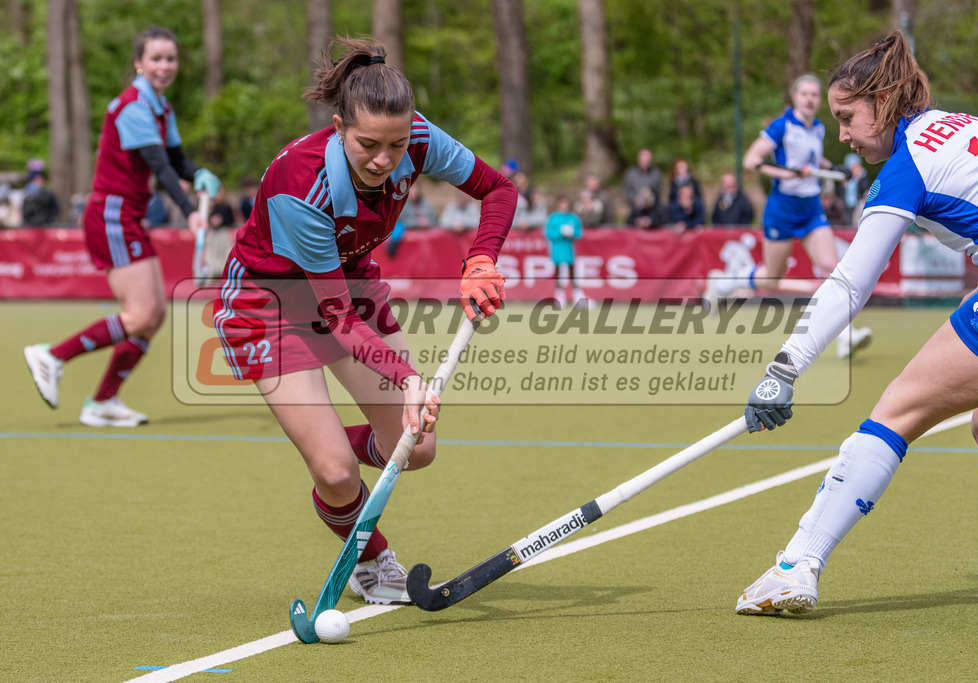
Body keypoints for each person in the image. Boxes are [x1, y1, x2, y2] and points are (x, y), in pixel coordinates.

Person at [212, 37, 515, 605]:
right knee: (334, 473)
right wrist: (407, 378)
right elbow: (338, 320)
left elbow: (498, 190)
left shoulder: (416, 140)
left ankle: (329, 440)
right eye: (368, 145)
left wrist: (482, 257)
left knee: (415, 446)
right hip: (270, 305)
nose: (385, 160)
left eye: (397, 145)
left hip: (348, 283)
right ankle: (371, 561)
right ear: (338, 126)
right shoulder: (301, 185)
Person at [736, 30, 978, 616]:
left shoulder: (908, 162)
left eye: (847, 116)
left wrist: (784, 368)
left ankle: (795, 566)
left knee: (897, 411)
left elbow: (850, 283)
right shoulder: (967, 126)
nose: (841, 133)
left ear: (884, 98)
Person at [24, 25, 219, 427]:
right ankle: (52, 356)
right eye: (156, 59)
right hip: (112, 215)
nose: (164, 66)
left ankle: (102, 403)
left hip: (130, 216)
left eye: (170, 58)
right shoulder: (132, 106)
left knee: (153, 315)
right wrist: (188, 207)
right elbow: (158, 165)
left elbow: (177, 160)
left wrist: (199, 174)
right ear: (139, 63)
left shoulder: (161, 107)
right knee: (142, 312)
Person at [709, 73, 872, 359]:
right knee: (772, 277)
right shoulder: (781, 126)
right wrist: (788, 172)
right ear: (795, 98)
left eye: (813, 95)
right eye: (804, 94)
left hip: (810, 209)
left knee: (832, 268)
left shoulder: (819, 129)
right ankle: (724, 283)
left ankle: (846, 336)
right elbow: (751, 161)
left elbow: (813, 159)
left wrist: (834, 167)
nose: (809, 99)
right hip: (782, 210)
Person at [544, 195, 584, 307]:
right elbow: (548, 234)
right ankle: (559, 295)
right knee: (558, 272)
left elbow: (579, 233)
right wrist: (560, 233)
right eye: (562, 203)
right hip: (557, 249)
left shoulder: (573, 218)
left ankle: (576, 294)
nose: (564, 206)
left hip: (569, 249)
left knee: (572, 271)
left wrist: (572, 233)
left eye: (565, 203)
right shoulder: (553, 218)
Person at [666, 158, 704, 222]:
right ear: (676, 169)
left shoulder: (693, 180)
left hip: (692, 210)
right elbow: (671, 199)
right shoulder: (673, 182)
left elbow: (699, 196)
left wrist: (691, 202)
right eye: (680, 166)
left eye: (684, 166)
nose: (682, 168)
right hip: (678, 210)